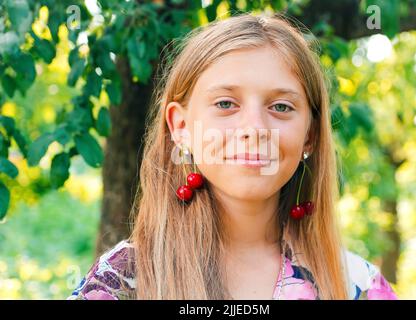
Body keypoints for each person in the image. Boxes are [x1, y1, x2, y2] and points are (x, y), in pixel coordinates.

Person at [68, 13, 397, 300]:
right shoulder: (122, 281)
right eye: (226, 104)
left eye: (280, 107)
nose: (254, 128)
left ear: (310, 135)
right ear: (181, 127)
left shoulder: (357, 286)